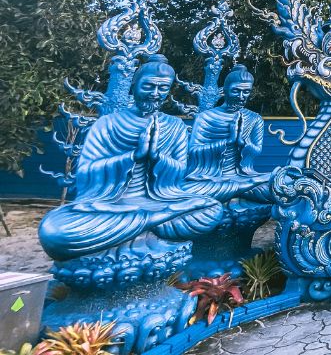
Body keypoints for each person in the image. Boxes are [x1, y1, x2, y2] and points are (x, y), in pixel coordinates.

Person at [39, 55, 222, 262]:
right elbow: (86, 172)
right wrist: (133, 156)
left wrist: (156, 157)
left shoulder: (175, 126)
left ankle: (142, 222)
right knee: (54, 231)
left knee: (211, 209)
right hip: (110, 204)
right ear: (134, 86)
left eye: (162, 89)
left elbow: (180, 172)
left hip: (159, 200)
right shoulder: (107, 124)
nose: (155, 94)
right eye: (149, 86)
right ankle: (149, 222)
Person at [185, 64, 271, 202]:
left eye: (246, 92)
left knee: (276, 186)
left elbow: (256, 151)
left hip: (243, 176)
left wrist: (244, 143)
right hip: (211, 178)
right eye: (236, 91)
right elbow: (194, 151)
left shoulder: (255, 119)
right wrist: (228, 142)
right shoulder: (206, 117)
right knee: (189, 189)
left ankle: (237, 188)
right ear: (225, 90)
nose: (241, 96)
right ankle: (238, 188)